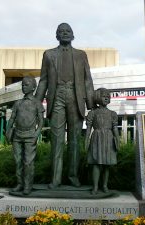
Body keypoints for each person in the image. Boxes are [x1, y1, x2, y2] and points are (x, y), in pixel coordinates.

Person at [35, 23, 94, 188]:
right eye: (61, 31)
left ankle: (73, 176)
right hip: (57, 96)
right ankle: (55, 179)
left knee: (75, 140)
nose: (65, 33)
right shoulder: (48, 55)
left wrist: (91, 105)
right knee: (57, 140)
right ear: (57, 36)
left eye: (68, 31)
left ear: (73, 35)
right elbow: (44, 80)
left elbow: (88, 80)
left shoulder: (81, 55)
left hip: (76, 97)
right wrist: (35, 102)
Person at [6, 76, 44, 195]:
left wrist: (37, 133)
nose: (23, 86)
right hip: (17, 135)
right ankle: (20, 184)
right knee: (18, 161)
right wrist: (8, 131)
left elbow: (41, 121)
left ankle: (28, 185)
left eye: (26, 84)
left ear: (33, 87)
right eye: (22, 84)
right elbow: (12, 119)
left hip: (30, 135)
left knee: (28, 162)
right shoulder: (18, 103)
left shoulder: (37, 103)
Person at [85, 88, 120, 194]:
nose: (106, 98)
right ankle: (95, 187)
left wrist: (117, 140)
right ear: (97, 97)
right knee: (96, 163)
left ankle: (104, 186)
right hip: (97, 138)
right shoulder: (93, 113)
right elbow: (88, 128)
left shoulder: (112, 114)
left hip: (109, 139)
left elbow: (115, 128)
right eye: (104, 96)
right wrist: (86, 140)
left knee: (107, 164)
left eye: (108, 97)